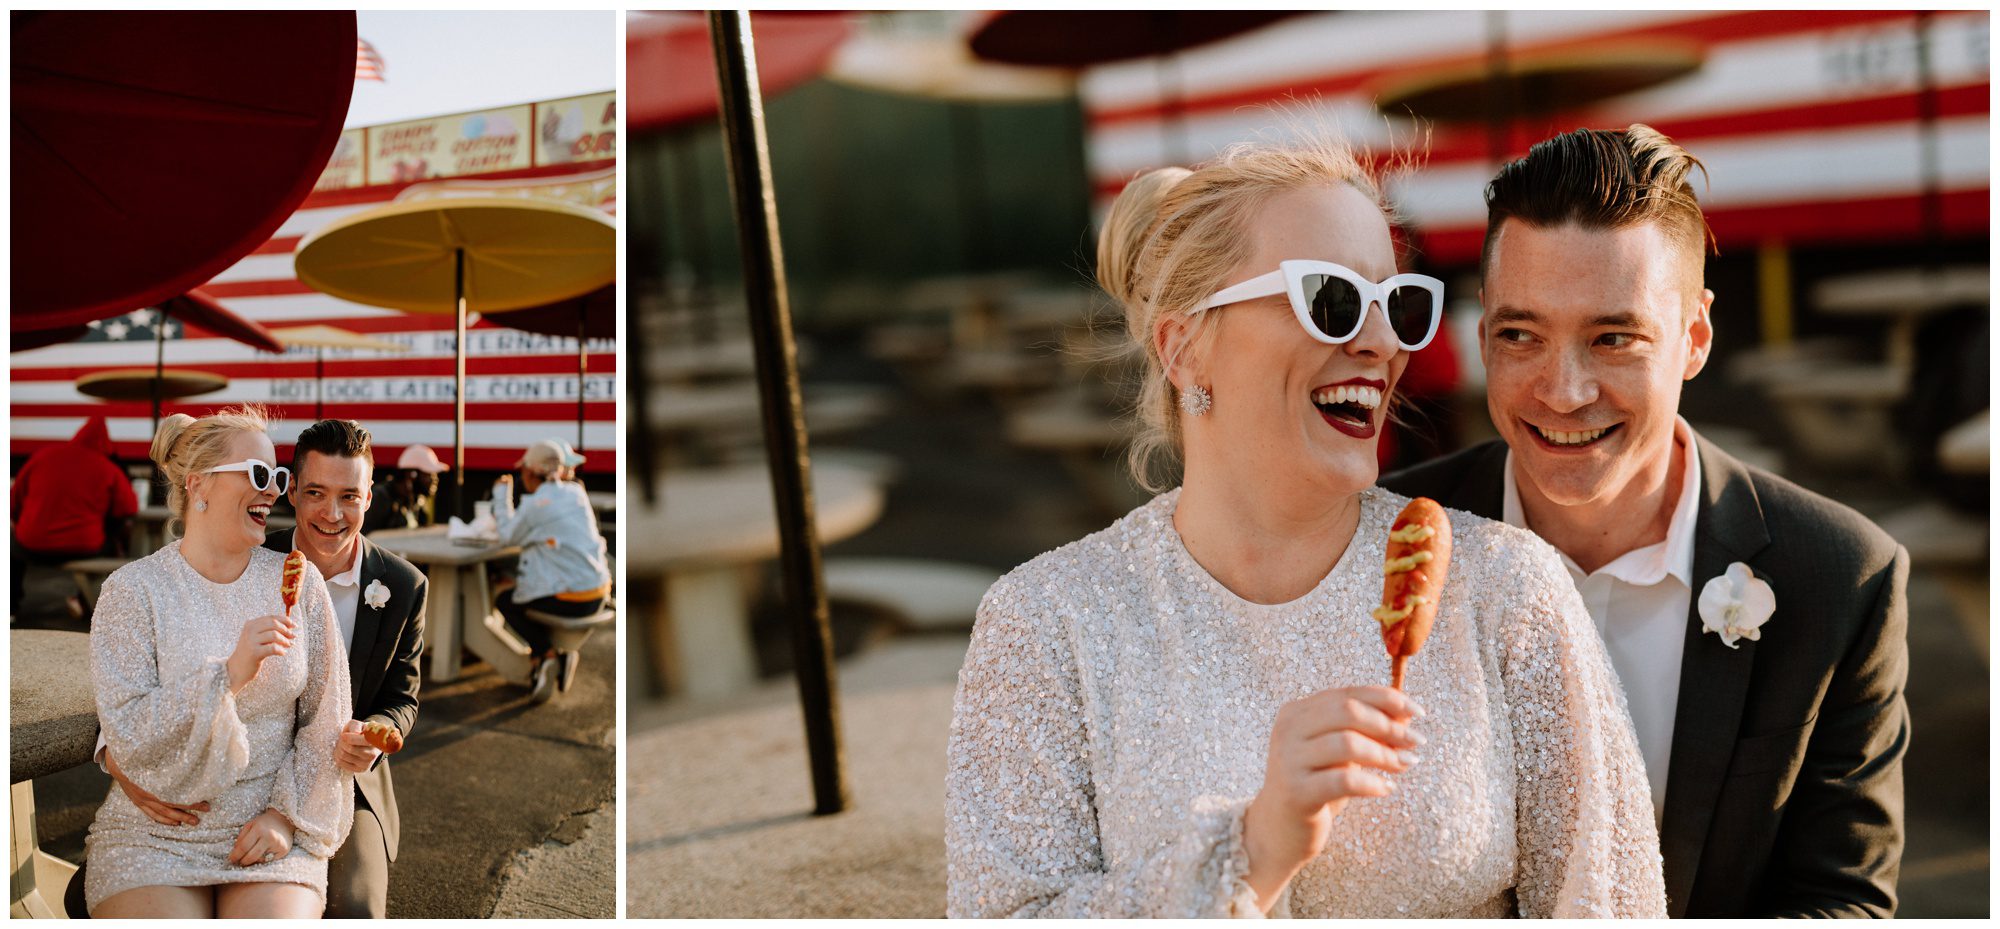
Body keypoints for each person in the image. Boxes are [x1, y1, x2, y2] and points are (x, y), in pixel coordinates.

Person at [946, 138, 1665, 918]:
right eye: (1332, 298)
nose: (1384, 344)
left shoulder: (1502, 588)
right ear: (1184, 348)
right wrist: (1252, 851)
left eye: (1398, 304)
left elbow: (1609, 902)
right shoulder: (1047, 624)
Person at [1381, 125, 1908, 917]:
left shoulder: (1841, 577)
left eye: (1613, 338)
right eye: (1521, 334)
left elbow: (1842, 900)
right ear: (1483, 330)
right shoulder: (1379, 541)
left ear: (1694, 337)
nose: (1563, 392)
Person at [94, 418, 427, 918]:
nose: (332, 513)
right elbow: (125, 704)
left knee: (355, 908)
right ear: (198, 483)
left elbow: (380, 702)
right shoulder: (153, 582)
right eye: (261, 475)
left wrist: (293, 809)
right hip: (168, 817)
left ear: (368, 496)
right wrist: (118, 755)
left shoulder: (396, 584)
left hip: (316, 782)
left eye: (349, 497)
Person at [490, 439, 609, 693]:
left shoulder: (536, 505)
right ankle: (554, 656)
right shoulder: (576, 493)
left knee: (505, 601)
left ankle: (547, 654)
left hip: (572, 600)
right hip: (600, 592)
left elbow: (508, 536)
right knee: (525, 591)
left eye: (523, 470)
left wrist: (501, 495)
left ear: (530, 472)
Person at [10, 415, 140, 614]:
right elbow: (129, 508)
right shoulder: (108, 468)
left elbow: (13, 501)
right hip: (84, 546)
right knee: (113, 542)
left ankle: (10, 608)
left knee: (10, 549)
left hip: (31, 545)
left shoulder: (44, 456)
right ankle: (89, 604)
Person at [360, 445, 447, 535]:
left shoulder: (417, 502)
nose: (435, 479)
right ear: (412, 474)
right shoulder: (381, 498)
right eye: (429, 474)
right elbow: (363, 536)